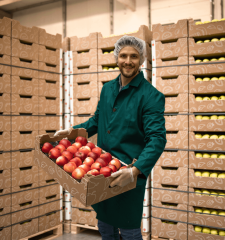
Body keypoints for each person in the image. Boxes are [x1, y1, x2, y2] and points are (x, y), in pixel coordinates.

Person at [55, 36, 167, 240]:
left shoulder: (151, 96)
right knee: (105, 225)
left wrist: (135, 171)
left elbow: (157, 139)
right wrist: (72, 132)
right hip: (100, 169)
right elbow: (97, 121)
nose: (128, 60)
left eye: (134, 56)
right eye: (123, 55)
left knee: (129, 229)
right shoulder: (107, 89)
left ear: (141, 60)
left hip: (127, 173)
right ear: (117, 58)